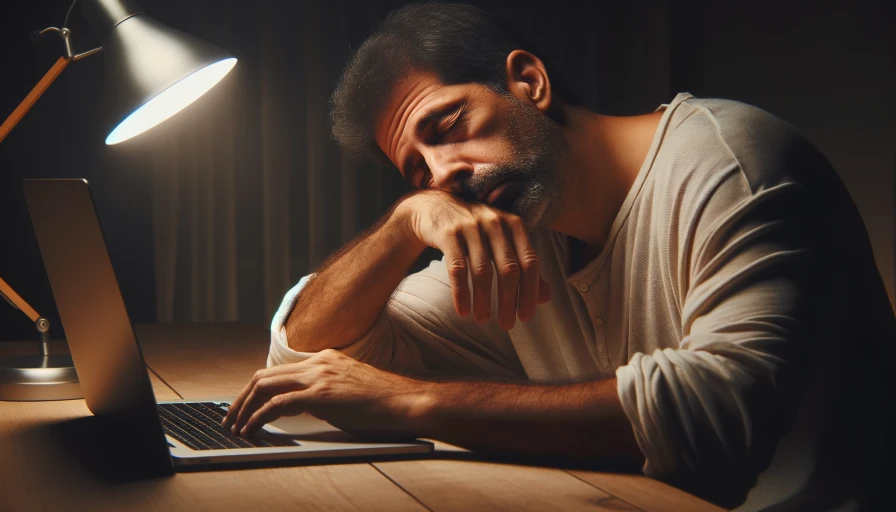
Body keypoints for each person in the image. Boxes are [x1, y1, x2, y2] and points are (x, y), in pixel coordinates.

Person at [222, 3, 895, 510]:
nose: (442, 175)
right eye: (417, 170)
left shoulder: (729, 160)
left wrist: (414, 403)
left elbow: (716, 415)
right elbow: (305, 352)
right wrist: (405, 224)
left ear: (529, 81)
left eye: (447, 126)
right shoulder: (521, 232)